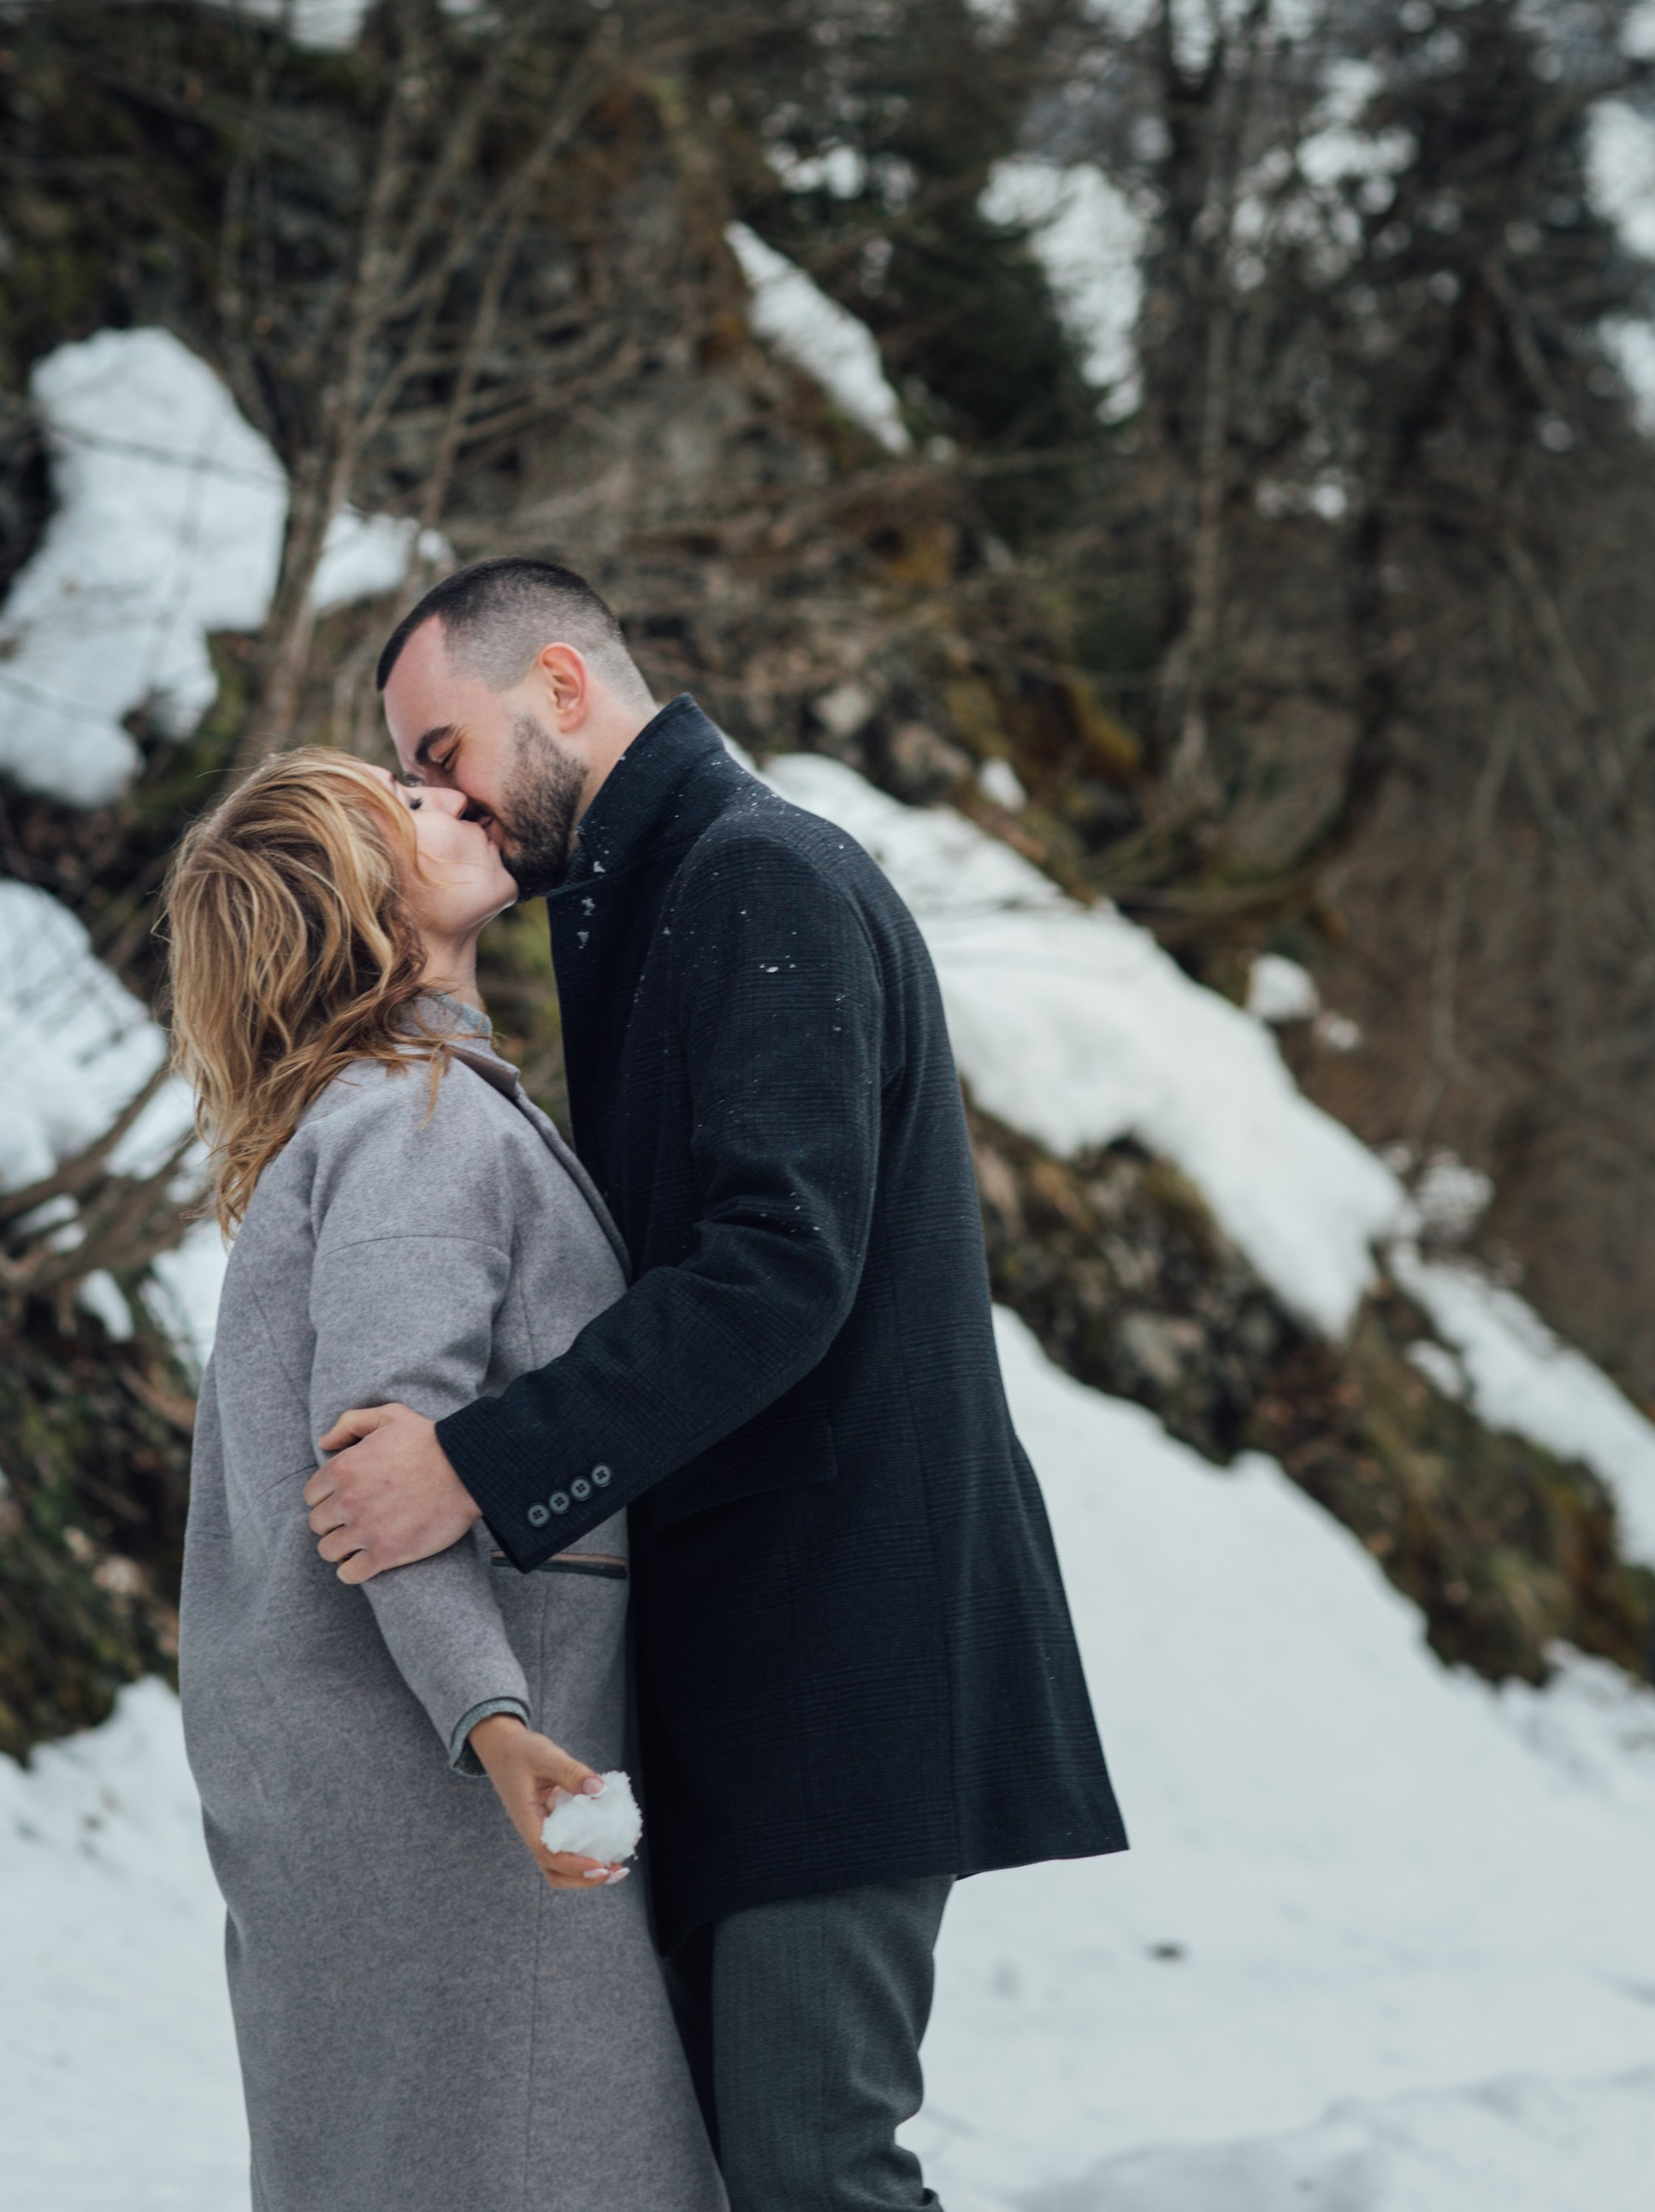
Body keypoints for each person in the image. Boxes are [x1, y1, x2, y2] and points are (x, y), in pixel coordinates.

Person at [304, 558, 1127, 2212]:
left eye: (443, 747)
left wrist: (475, 1463)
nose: (435, 793)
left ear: (558, 684)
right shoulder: (649, 901)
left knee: (816, 2172)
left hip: (844, 1656)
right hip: (761, 1671)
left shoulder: (758, 879)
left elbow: (779, 1268)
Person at [168, 747, 724, 2212]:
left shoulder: (380, 1118)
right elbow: (381, 1470)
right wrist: (498, 1726)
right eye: (397, 808)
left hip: (384, 1790)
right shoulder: (415, 1124)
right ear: (349, 907)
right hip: (456, 1804)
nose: (453, 800)